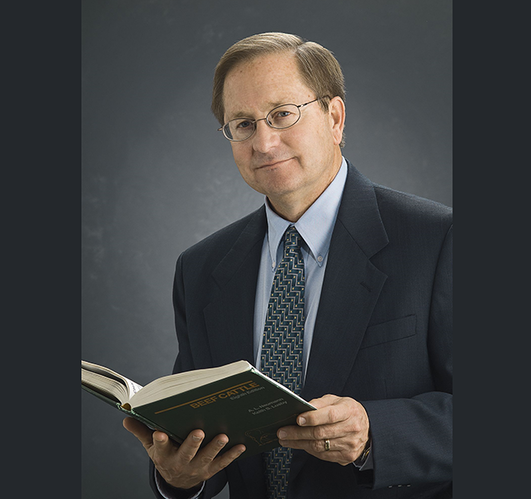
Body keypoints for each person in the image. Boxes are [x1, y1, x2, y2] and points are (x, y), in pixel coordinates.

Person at [123, 32, 452, 499]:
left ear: (334, 117)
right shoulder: (200, 269)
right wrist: (181, 477)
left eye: (282, 115)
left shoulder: (437, 240)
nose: (264, 141)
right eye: (242, 123)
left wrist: (374, 433)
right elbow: (209, 439)